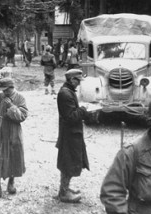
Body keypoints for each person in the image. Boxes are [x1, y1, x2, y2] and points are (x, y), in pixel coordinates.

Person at [0, 78, 28, 198]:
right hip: (0, 130)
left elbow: (22, 117)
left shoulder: (20, 98)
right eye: (2, 90)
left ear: (11, 88)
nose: (4, 92)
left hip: (14, 130)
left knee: (14, 155)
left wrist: (11, 106)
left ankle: (11, 183)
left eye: (6, 90)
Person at [56, 69, 90, 203]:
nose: (79, 84)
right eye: (77, 81)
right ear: (71, 80)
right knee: (68, 163)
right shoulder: (65, 94)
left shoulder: (68, 91)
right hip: (70, 134)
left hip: (71, 133)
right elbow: (70, 117)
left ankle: (64, 189)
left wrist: (81, 110)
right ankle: (64, 193)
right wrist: (83, 110)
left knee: (69, 161)